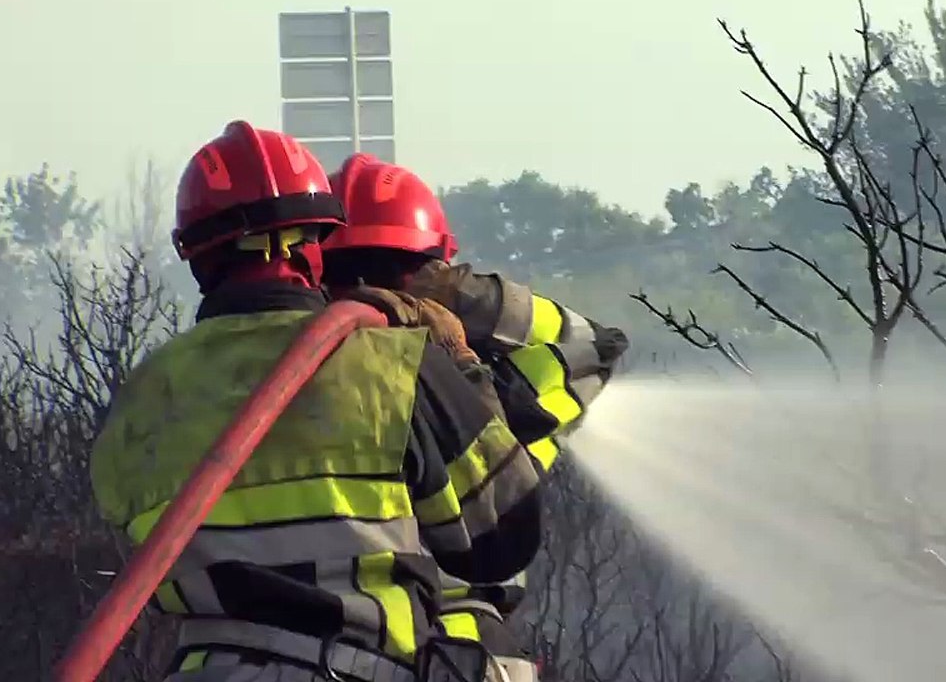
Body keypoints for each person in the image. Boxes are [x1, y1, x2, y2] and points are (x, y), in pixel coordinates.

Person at [88, 121, 542, 682]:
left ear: (197, 256)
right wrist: (462, 367)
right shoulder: (390, 362)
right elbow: (502, 541)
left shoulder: (140, 395)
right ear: (318, 244)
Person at [320, 153, 629, 680]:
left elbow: (598, 344)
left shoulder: (301, 385)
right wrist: (464, 316)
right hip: (458, 646)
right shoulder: (489, 394)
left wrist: (458, 325)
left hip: (351, 649)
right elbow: (594, 343)